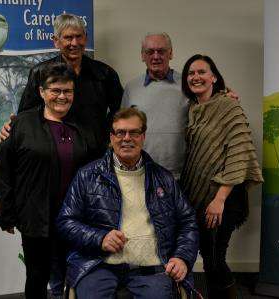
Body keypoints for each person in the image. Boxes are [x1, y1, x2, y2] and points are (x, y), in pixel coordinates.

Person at [56, 107, 199, 299]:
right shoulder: (87, 176)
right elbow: (65, 222)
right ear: (111, 137)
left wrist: (182, 257)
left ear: (143, 136)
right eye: (120, 132)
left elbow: (188, 222)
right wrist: (100, 238)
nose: (126, 138)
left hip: (152, 266)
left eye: (134, 132)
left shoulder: (164, 178)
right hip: (98, 264)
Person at [0, 62, 97, 299]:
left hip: (75, 218)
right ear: (41, 92)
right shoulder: (20, 124)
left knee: (75, 275)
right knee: (37, 276)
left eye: (67, 91)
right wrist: (7, 214)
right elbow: (3, 172)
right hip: (36, 217)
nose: (62, 96)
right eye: (55, 90)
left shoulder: (84, 127)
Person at [180, 54, 264, 299]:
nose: (196, 77)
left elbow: (240, 151)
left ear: (214, 77)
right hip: (199, 195)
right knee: (208, 257)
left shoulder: (229, 106)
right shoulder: (192, 109)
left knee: (215, 260)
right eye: (191, 73)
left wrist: (219, 199)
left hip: (224, 197)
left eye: (202, 72)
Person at [0, 13, 123, 156]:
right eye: (68, 38)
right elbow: (27, 114)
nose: (75, 43)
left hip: (95, 155)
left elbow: (119, 112)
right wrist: (11, 127)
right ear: (56, 41)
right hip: (54, 155)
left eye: (79, 36)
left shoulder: (105, 74)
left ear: (86, 38)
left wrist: (106, 137)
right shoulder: (40, 73)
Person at [122, 32, 238, 178]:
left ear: (170, 53)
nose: (156, 56)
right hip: (142, 173)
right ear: (142, 56)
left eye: (161, 51)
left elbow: (209, 102)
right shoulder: (131, 87)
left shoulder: (188, 83)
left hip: (182, 175)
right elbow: (123, 129)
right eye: (150, 52)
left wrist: (225, 95)